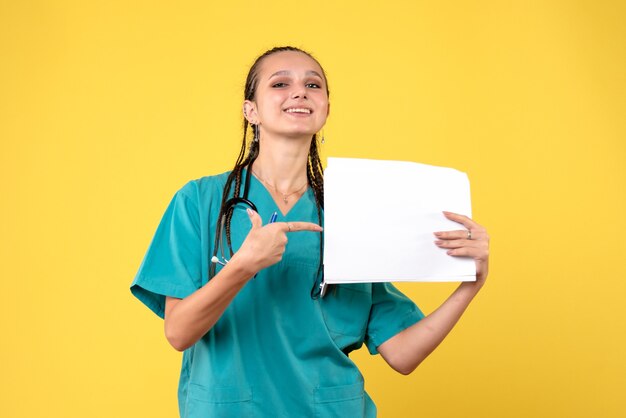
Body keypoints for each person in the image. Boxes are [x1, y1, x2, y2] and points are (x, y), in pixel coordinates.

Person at [130, 46, 490, 418]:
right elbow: (178, 333)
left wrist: (469, 284)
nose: (300, 92)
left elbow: (402, 353)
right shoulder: (200, 202)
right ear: (250, 110)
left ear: (327, 109)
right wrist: (242, 265)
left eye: (313, 84)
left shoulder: (353, 211)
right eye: (280, 83)